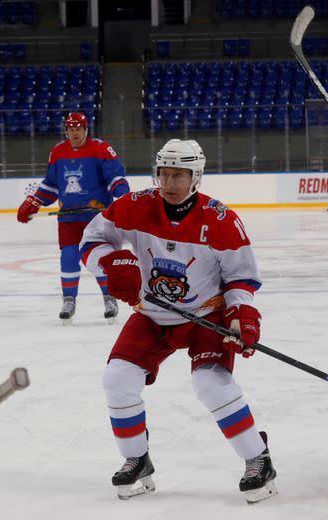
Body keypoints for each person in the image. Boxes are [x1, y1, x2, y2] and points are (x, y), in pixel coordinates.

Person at [78, 139, 277, 503]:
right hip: (152, 314)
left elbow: (242, 279)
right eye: (164, 174)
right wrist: (108, 264)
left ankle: (258, 459)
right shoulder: (134, 206)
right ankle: (137, 459)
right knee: (117, 378)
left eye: (179, 175)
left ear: (195, 176)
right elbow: (92, 238)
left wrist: (242, 315)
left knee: (211, 384)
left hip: (205, 315)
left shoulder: (220, 220)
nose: (169, 184)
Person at [17, 112, 130, 324]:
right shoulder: (58, 152)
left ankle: (109, 298)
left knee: (101, 257)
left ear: (86, 129)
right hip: (68, 218)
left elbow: (115, 176)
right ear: (66, 130)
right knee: (68, 257)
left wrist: (122, 195)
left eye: (79, 128)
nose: (75, 132)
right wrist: (33, 202)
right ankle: (69, 300)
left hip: (96, 219)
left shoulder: (101, 149)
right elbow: (51, 185)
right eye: (71, 129)